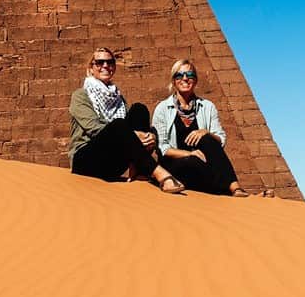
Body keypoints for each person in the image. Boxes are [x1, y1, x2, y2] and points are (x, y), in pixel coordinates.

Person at [69, 48, 185, 193]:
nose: (105, 66)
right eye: (99, 62)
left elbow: (127, 129)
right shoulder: (80, 95)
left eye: (110, 62)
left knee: (139, 109)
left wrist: (150, 136)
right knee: (119, 125)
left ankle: (136, 171)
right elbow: (94, 127)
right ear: (91, 69)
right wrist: (133, 135)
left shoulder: (118, 99)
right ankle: (159, 173)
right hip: (86, 161)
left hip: (111, 162)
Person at [152, 59, 251, 197]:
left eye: (190, 75)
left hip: (202, 163)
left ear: (196, 80)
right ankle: (225, 191)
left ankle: (235, 187)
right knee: (194, 162)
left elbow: (221, 139)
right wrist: (190, 154)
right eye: (179, 75)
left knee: (207, 138)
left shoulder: (207, 107)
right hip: (174, 165)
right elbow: (162, 148)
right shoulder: (162, 108)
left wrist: (207, 133)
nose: (185, 79)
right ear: (173, 81)